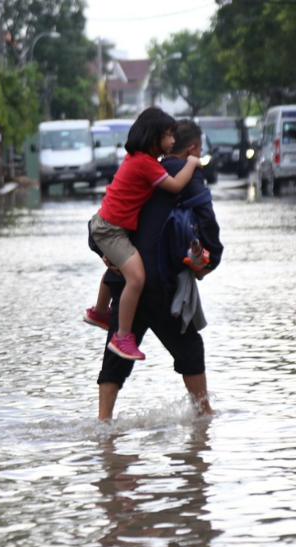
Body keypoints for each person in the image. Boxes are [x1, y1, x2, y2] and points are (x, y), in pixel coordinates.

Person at [93, 120, 224, 421]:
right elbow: (205, 218)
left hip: (124, 279)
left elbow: (104, 218)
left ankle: (103, 426)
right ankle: (203, 416)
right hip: (160, 283)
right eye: (199, 151)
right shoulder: (187, 172)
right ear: (191, 150)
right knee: (190, 347)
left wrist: (106, 253)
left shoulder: (144, 167)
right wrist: (212, 258)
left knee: (117, 349)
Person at [84, 107, 202, 362]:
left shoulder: (138, 159)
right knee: (136, 277)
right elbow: (176, 185)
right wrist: (191, 163)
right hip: (111, 230)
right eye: (169, 135)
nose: (173, 141)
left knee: (118, 268)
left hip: (109, 225)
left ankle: (100, 312)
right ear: (153, 137)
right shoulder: (145, 164)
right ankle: (122, 337)